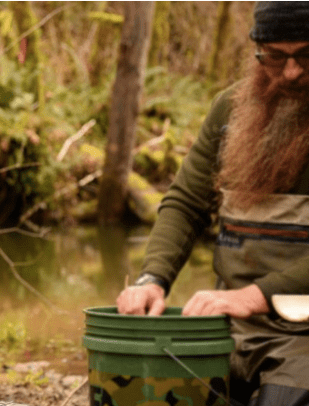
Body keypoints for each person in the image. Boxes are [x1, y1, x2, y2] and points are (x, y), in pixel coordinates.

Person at [115, 2, 309, 405]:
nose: (292, 72)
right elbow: (186, 202)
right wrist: (153, 278)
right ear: (257, 52)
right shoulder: (230, 110)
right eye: (275, 57)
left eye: (306, 55)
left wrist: (254, 296)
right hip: (231, 326)